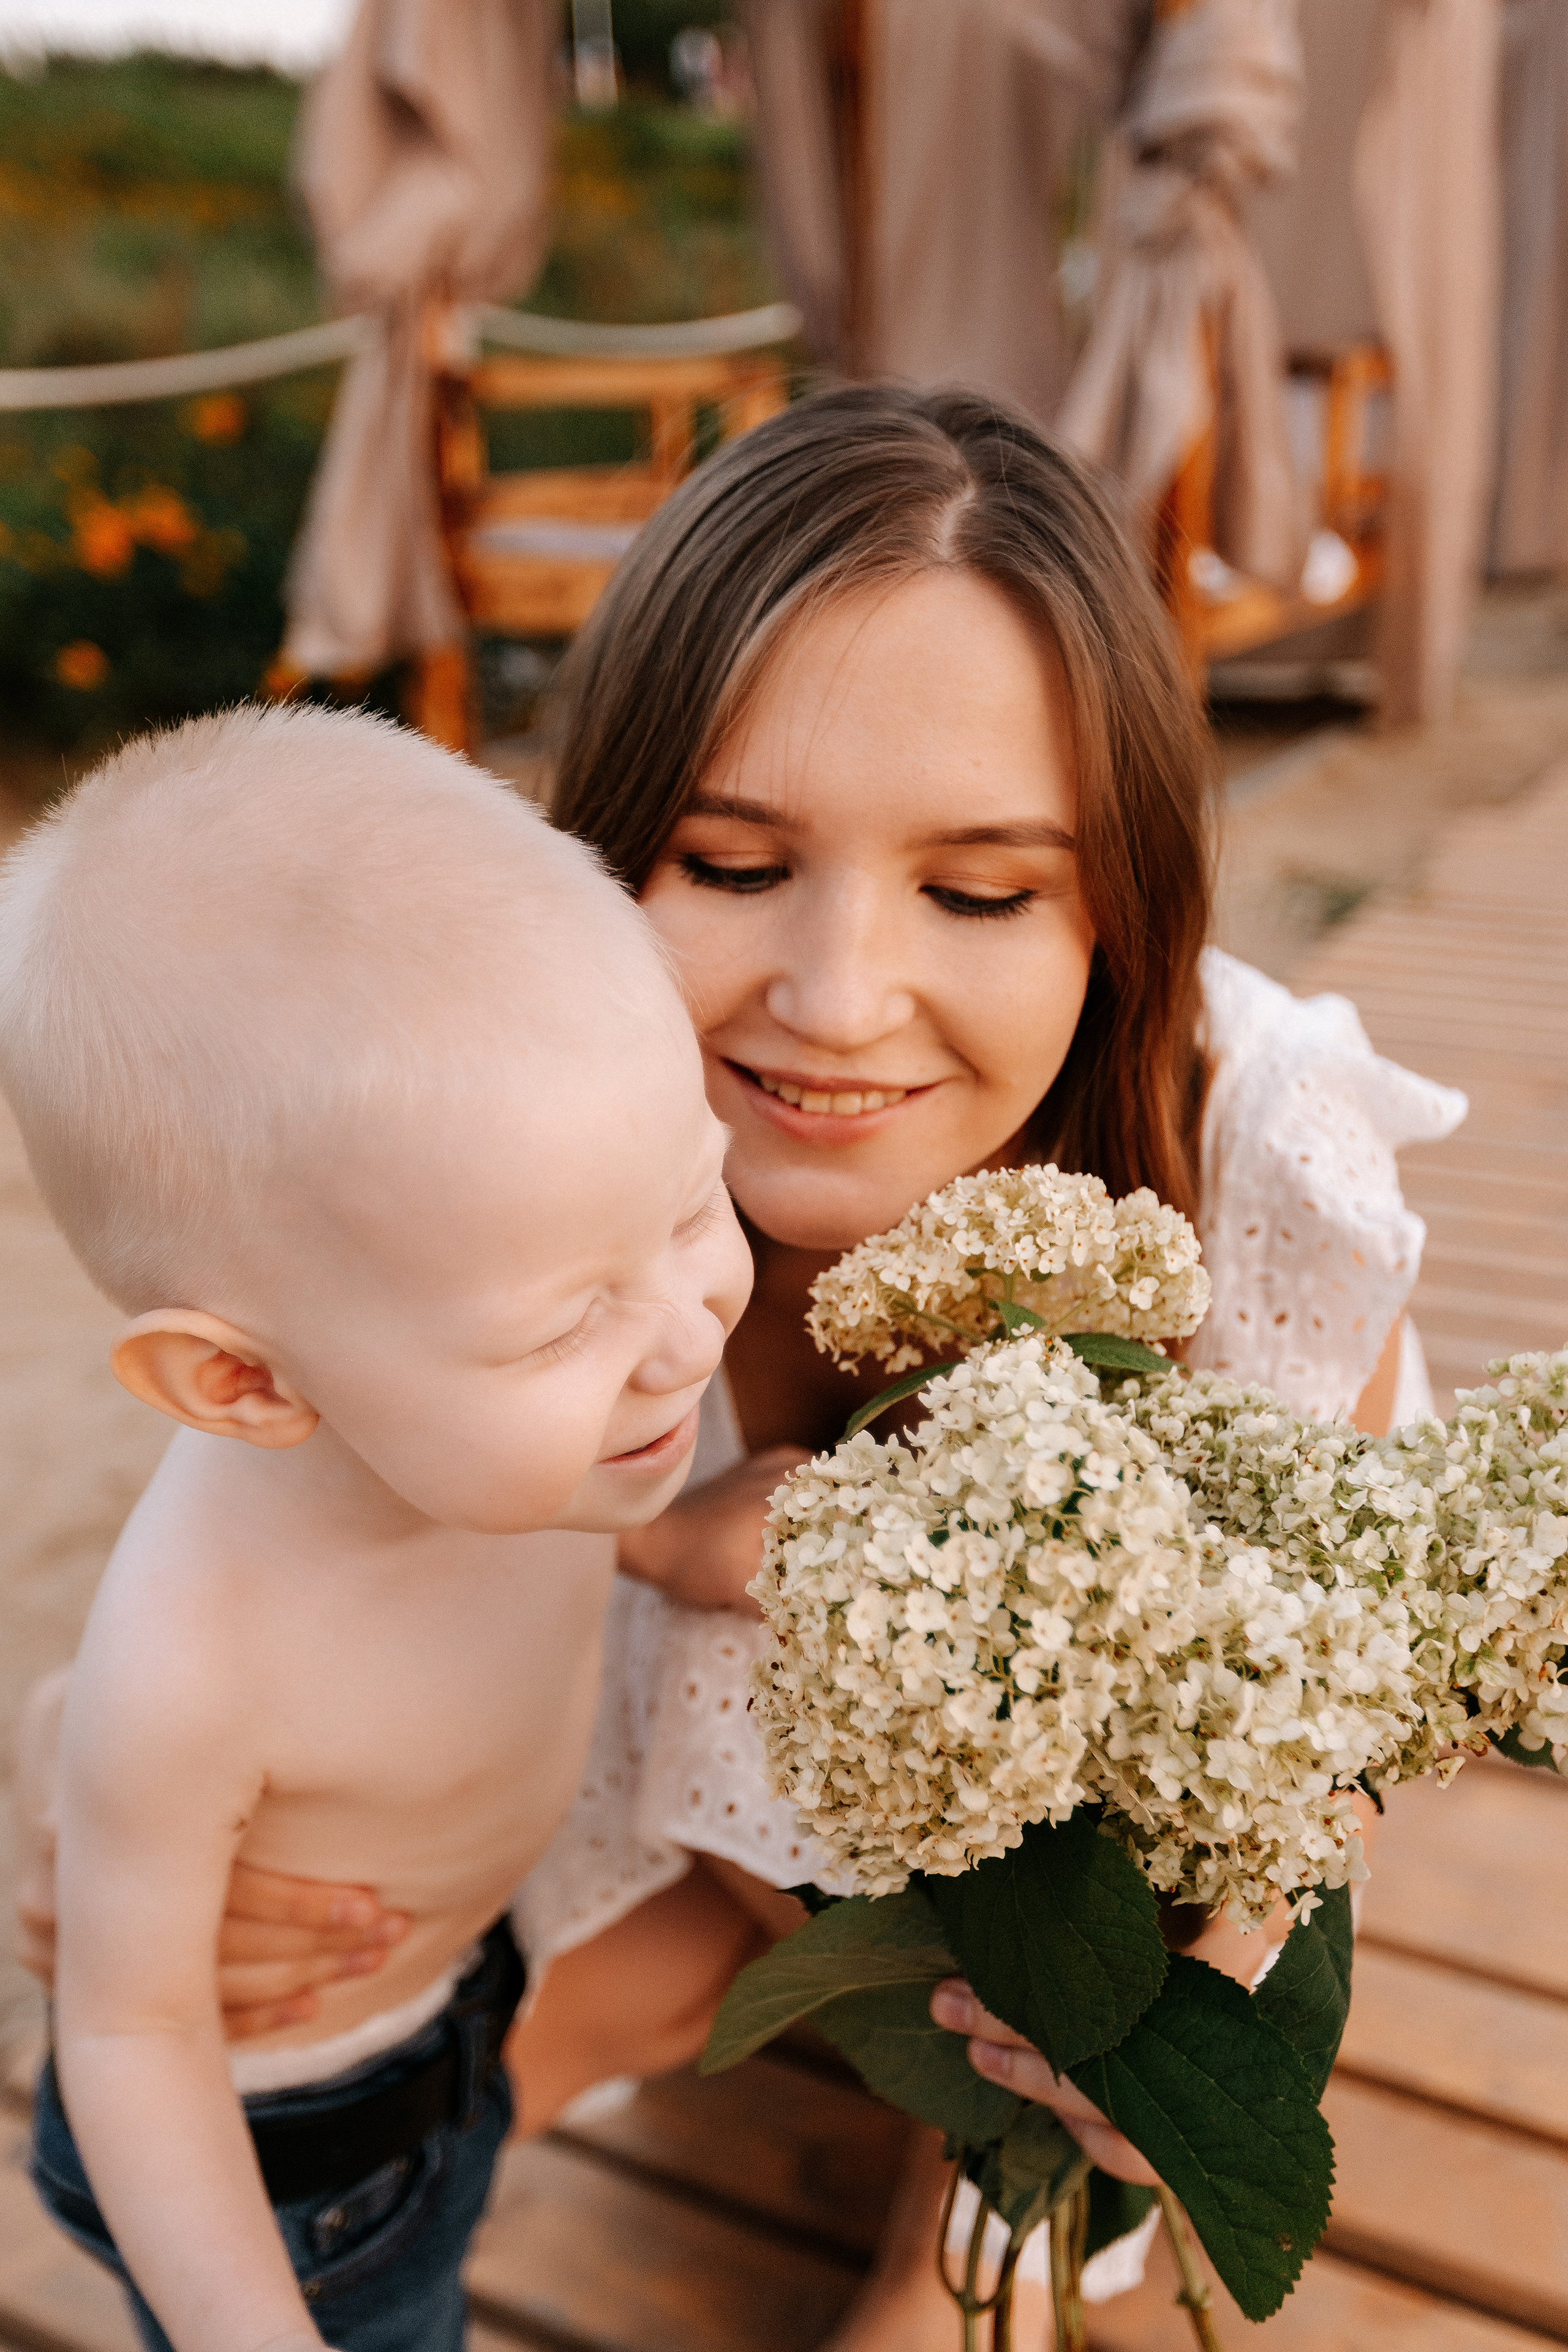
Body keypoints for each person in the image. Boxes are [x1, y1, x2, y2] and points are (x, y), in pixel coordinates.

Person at [14, 388, 1465, 2348]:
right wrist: (107, 1781)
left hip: (1038, 1919)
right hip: (628, 1872)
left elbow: (1335, 1699)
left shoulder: (1245, 1157)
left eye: (979, 891)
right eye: (726, 862)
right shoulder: (495, 1138)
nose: (838, 1001)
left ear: (1116, 912)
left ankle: (944, 2237)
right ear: (589, 858)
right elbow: (286, 1507)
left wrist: (1213, 1972)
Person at [0, 704, 752, 2352]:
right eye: (565, 1320)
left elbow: (548, 1512)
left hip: (462, 2020)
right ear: (245, 1381)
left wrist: (672, 1541)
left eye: (696, 1199)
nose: (683, 1335)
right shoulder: (199, 1658)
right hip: (281, 2162)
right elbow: (130, 2040)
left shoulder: (507, 1421)